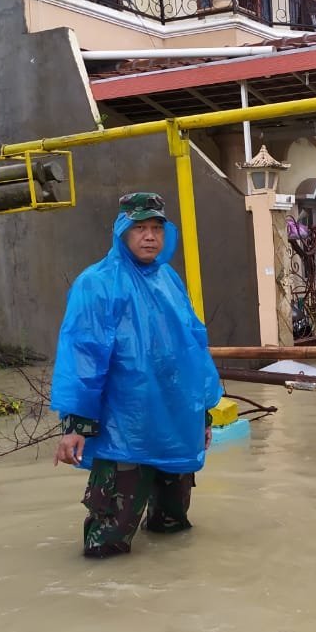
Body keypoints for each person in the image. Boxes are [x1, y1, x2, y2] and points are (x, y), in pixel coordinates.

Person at [50, 192, 224, 558]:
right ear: (122, 232)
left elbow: (193, 349)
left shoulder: (169, 281)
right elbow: (84, 356)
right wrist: (76, 426)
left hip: (174, 427)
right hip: (123, 429)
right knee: (108, 540)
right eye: (140, 228)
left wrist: (202, 415)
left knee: (173, 528)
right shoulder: (96, 283)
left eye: (156, 228)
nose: (150, 236)